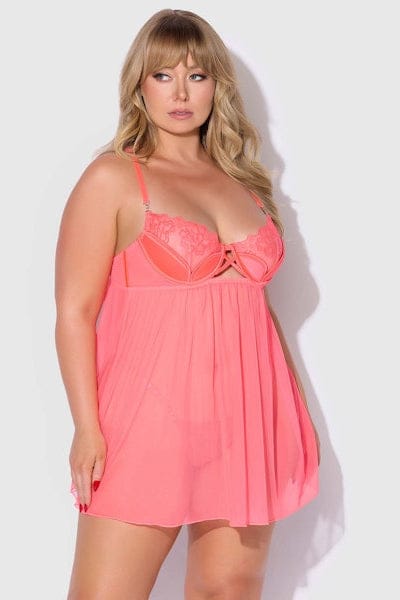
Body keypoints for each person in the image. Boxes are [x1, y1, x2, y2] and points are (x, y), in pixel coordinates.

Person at [54, 8, 320, 599]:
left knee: (227, 590)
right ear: (139, 85)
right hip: (146, 419)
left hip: (247, 421)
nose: (180, 92)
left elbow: (254, 307)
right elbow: (74, 312)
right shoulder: (114, 178)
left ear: (215, 85)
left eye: (196, 76)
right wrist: (87, 428)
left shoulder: (243, 183)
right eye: (163, 75)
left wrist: (291, 410)